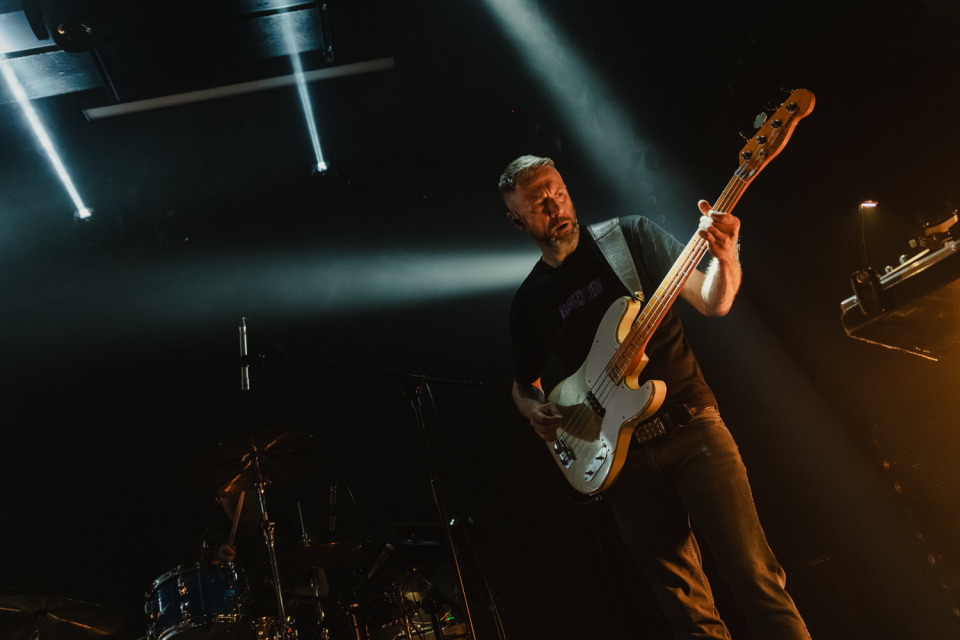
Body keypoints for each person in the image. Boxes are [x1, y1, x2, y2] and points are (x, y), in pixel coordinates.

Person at [501, 155, 811, 639]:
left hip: (691, 428)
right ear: (517, 219)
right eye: (538, 203)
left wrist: (725, 256)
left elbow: (713, 300)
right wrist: (533, 410)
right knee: (687, 616)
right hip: (620, 462)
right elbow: (523, 384)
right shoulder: (529, 302)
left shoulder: (628, 236)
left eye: (558, 191)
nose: (555, 206)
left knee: (757, 581)